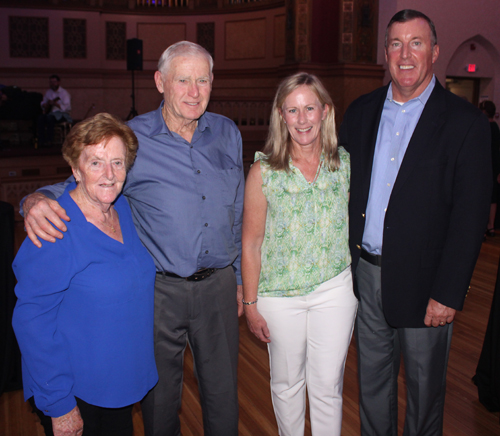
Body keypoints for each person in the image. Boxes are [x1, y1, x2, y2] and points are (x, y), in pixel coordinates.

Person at [21, 41, 244, 436]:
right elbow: (90, 180)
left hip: (219, 287)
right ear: (160, 82)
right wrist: (34, 200)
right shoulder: (133, 137)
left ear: (213, 83)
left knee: (224, 396)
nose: (194, 92)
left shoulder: (227, 132)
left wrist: (241, 279)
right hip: (159, 292)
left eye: (203, 80)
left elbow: (239, 210)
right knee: (159, 400)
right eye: (183, 80)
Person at [339, 9, 491, 436]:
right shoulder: (362, 111)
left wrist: (448, 292)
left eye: (416, 43)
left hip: (428, 287)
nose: (405, 55)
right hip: (366, 275)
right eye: (395, 44)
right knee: (372, 384)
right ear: (385, 52)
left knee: (425, 395)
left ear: (435, 52)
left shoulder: (465, 124)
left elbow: (470, 217)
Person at [12, 113, 158, 436]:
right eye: (96, 163)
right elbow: (30, 321)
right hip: (77, 393)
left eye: (118, 163)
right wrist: (60, 404)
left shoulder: (122, 210)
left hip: (117, 386)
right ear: (76, 170)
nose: (109, 174)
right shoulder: (55, 227)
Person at [242, 72, 357, 436]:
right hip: (279, 297)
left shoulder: (343, 165)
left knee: (327, 387)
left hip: (333, 291)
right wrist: (250, 303)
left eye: (310, 108)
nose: (303, 119)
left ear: (325, 111)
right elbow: (251, 243)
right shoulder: (264, 171)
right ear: (281, 115)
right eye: (293, 110)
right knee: (287, 385)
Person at [479, 100, 500, 237]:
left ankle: (483, 229)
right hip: (495, 165)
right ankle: (491, 226)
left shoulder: (484, 127)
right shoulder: (496, 127)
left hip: (485, 166)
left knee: (484, 196)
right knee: (492, 198)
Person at [37, 74, 72, 147]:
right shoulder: (48, 92)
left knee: (50, 119)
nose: (53, 84)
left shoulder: (64, 93)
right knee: (41, 118)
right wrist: (44, 105)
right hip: (51, 113)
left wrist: (56, 104)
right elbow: (44, 101)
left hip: (61, 114)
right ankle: (41, 140)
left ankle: (50, 140)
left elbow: (67, 107)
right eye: (51, 82)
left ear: (58, 82)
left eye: (54, 82)